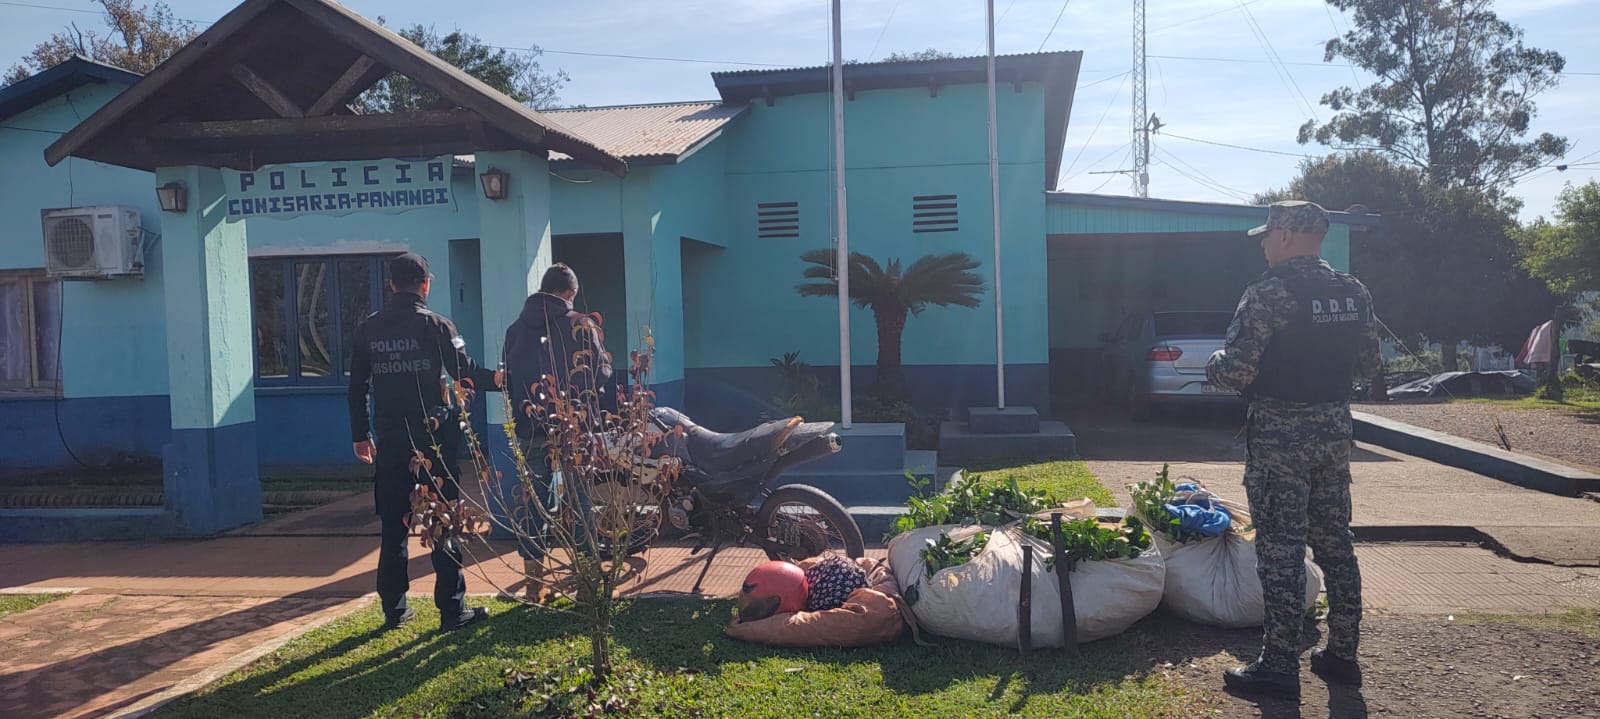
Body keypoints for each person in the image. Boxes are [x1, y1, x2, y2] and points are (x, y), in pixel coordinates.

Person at [1206, 200, 1380, 700]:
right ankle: (1342, 655)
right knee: (1336, 544)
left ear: (1284, 235)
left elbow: (1238, 371)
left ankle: (1279, 666)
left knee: (1280, 552)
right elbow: (1369, 365)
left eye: (1267, 235)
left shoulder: (1269, 293)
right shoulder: (1353, 292)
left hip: (1281, 440)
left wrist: (1215, 363)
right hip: (1334, 434)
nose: (1263, 244)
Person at [348, 252, 503, 632]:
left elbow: (358, 388)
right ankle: (452, 610)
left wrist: (360, 436)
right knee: (444, 521)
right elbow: (464, 373)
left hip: (390, 441)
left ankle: (394, 610)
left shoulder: (369, 329)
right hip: (433, 444)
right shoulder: (437, 326)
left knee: (394, 528)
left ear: (391, 284)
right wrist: (502, 380)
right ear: (426, 285)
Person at [501, 263, 614, 601]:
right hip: (573, 428)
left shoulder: (515, 329)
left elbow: (507, 377)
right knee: (580, 502)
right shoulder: (581, 324)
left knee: (533, 503)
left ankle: (534, 585)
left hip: (529, 427)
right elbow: (600, 372)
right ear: (570, 293)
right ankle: (587, 585)